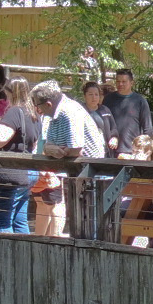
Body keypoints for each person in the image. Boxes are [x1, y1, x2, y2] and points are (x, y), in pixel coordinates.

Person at [33, 79, 104, 237]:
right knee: (79, 223)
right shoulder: (54, 115)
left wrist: (57, 150)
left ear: (48, 104)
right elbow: (49, 145)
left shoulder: (68, 112)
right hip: (76, 174)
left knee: (88, 223)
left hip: (91, 175)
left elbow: (76, 149)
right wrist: (50, 149)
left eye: (38, 105)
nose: (38, 110)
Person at [0, 77, 40, 234]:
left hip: (11, 173)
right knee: (19, 221)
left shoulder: (15, 111)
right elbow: (35, 143)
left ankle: (5, 250)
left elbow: (0, 139)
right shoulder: (34, 114)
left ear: (10, 92)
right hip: (28, 171)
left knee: (1, 222)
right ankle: (25, 249)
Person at [103, 68, 153, 156]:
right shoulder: (108, 99)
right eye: (118, 81)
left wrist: (145, 150)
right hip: (111, 149)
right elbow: (103, 122)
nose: (120, 84)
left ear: (131, 83)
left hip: (132, 150)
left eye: (124, 81)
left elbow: (147, 128)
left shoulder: (140, 101)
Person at [81, 80, 119, 156]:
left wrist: (114, 138)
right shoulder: (79, 111)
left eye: (96, 94)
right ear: (85, 96)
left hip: (105, 152)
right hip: (87, 153)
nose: (94, 97)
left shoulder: (105, 110)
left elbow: (113, 128)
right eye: (90, 94)